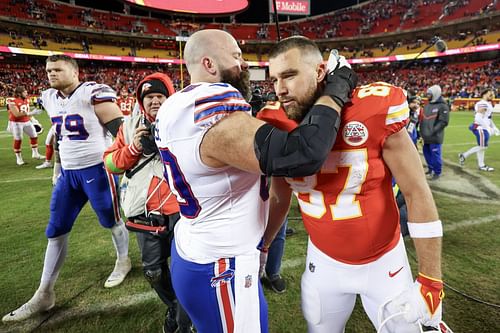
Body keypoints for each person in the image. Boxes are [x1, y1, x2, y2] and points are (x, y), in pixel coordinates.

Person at [154, 29, 357, 333]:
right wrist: (337, 88)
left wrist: (264, 243)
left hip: (199, 246)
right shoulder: (214, 112)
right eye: (236, 56)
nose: (245, 63)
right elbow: (302, 153)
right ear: (209, 64)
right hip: (221, 265)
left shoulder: (176, 104)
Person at [259, 36, 444, 333]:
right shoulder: (274, 119)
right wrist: (264, 245)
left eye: (290, 76)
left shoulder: (370, 109)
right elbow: (280, 196)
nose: (280, 89)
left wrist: (431, 279)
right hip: (323, 262)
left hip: (384, 262)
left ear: (320, 71)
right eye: (275, 79)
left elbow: (416, 191)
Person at [2, 55, 131, 323]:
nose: (51, 74)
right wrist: (57, 169)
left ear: (75, 72)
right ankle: (44, 292)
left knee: (111, 219)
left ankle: (123, 260)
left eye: (58, 69)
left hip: (97, 169)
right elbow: (61, 138)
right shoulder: (49, 97)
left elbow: (122, 131)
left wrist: (126, 165)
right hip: (69, 174)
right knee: (56, 229)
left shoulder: (93, 92)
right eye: (48, 70)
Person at [103, 73, 192, 333]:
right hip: (143, 212)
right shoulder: (129, 126)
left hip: (181, 211)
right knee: (153, 272)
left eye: (160, 96)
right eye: (149, 97)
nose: (155, 101)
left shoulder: (184, 122)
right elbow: (109, 163)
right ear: (141, 101)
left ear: (169, 97)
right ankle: (176, 307)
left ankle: (186, 318)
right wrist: (133, 149)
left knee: (184, 270)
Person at [458, 88, 498, 171]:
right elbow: (478, 117)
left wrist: (494, 127)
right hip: (480, 127)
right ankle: (464, 155)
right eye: (489, 93)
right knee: (483, 147)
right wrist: (487, 127)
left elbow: (489, 118)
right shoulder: (482, 103)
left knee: (482, 146)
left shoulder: (487, 103)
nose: (491, 95)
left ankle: (481, 165)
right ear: (484, 94)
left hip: (482, 127)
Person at [6, 85, 44, 165]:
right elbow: (16, 114)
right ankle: (19, 159)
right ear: (19, 93)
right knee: (18, 139)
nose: (26, 92)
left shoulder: (26, 99)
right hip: (16, 122)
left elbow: (27, 112)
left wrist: (34, 120)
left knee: (34, 135)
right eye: (24, 91)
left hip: (26, 121)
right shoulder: (12, 101)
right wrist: (30, 113)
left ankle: (35, 154)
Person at [420, 85, 449, 180]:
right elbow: (423, 120)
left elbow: (443, 122)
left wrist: (432, 131)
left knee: (435, 156)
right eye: (427, 94)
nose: (428, 96)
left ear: (435, 94)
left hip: (435, 137)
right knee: (427, 154)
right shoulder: (427, 105)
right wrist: (422, 133)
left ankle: (437, 172)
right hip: (425, 137)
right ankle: (430, 169)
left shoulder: (443, 106)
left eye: (430, 94)